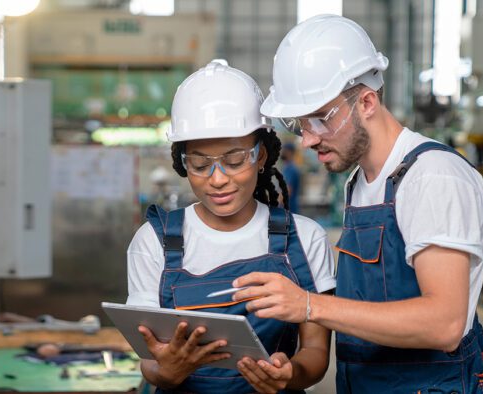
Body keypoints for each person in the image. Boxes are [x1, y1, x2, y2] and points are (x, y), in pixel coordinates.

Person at [231, 15, 483, 393]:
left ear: (366, 101)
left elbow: (444, 324)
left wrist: (309, 306)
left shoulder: (432, 177)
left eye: (319, 119)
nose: (309, 139)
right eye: (300, 124)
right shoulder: (360, 183)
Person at [125, 60, 335, 393]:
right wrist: (169, 372)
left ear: (261, 155)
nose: (218, 179)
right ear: (182, 163)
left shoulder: (304, 238)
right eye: (199, 164)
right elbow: (149, 359)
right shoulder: (154, 240)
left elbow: (316, 353)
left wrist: (290, 373)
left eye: (235, 160)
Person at [280, 142, 301, 213]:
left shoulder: (291, 169)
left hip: (289, 209)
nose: (282, 152)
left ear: (290, 152)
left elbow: (288, 191)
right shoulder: (286, 167)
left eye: (285, 150)